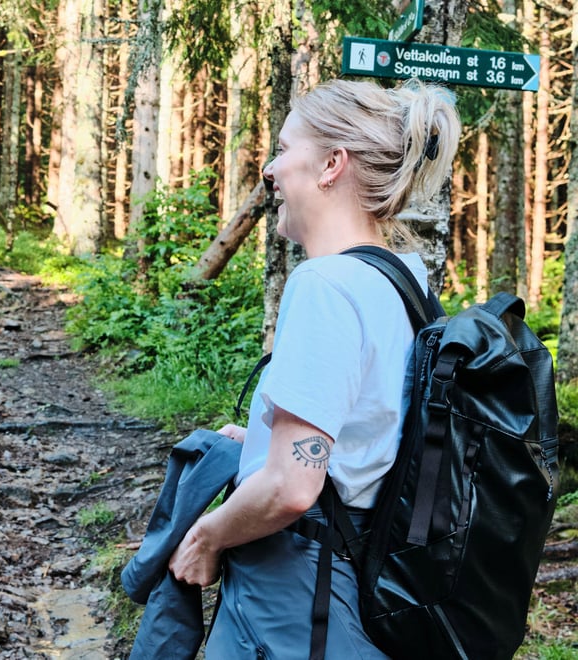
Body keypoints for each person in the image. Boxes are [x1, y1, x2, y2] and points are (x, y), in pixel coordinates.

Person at [167, 78, 460, 658]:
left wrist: (206, 537)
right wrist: (265, 441)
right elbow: (376, 434)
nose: (270, 170)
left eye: (283, 149)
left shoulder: (325, 284)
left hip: (298, 588)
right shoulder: (403, 280)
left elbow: (291, 488)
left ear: (331, 164)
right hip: (363, 578)